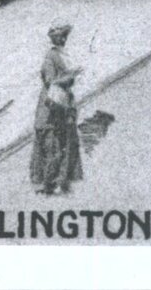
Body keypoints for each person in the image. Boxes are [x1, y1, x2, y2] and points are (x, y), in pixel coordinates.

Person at [30, 22, 85, 196]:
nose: (64, 39)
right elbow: (50, 81)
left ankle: (62, 181)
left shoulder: (62, 55)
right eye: (62, 36)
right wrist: (70, 76)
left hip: (62, 104)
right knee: (52, 145)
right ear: (56, 38)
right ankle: (48, 184)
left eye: (65, 36)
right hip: (52, 106)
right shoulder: (50, 57)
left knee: (65, 143)